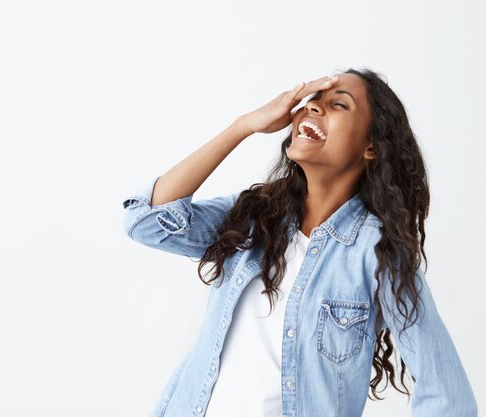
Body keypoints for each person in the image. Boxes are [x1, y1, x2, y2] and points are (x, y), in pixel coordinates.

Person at [121, 68, 478, 417]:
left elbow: (448, 398)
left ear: (371, 146)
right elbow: (146, 221)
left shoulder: (377, 253)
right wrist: (243, 126)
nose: (313, 106)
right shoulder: (254, 217)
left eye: (340, 104)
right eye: (312, 100)